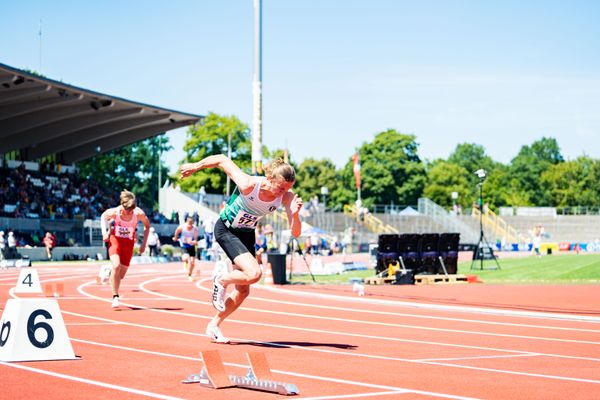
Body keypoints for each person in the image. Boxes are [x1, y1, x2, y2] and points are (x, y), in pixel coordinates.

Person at [180, 155, 303, 344]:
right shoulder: (248, 184)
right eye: (280, 188)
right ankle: (221, 280)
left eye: (287, 188)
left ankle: (214, 325)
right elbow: (221, 160)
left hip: (246, 234)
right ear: (270, 179)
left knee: (243, 291)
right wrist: (196, 167)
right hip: (226, 229)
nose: (283, 192)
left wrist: (295, 214)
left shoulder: (287, 196)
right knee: (254, 273)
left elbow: (295, 232)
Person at [100, 190, 150, 308]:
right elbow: (103, 216)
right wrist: (104, 233)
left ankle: (108, 272)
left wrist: (143, 245)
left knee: (120, 276)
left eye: (131, 210)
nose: (128, 212)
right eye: (127, 210)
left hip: (128, 243)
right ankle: (115, 296)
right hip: (115, 240)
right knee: (116, 266)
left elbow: (147, 226)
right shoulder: (114, 212)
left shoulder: (138, 213)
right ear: (123, 204)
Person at [173, 216, 199, 281]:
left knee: (192, 262)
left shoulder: (195, 229)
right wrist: (175, 237)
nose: (190, 225)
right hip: (184, 245)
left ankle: (189, 275)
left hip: (191, 246)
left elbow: (196, 240)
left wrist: (193, 242)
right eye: (189, 223)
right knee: (185, 258)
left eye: (191, 223)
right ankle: (186, 262)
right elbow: (177, 231)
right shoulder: (182, 227)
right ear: (186, 222)